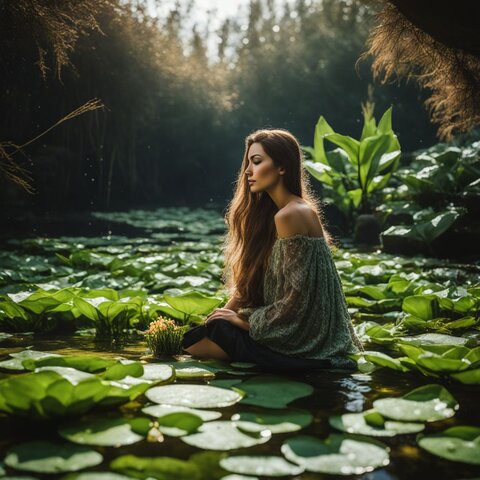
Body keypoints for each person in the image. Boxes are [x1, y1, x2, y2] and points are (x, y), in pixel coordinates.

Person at [182, 128, 364, 372]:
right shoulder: (281, 213)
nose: (248, 171)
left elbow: (295, 302)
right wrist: (221, 314)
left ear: (282, 167)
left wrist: (240, 321)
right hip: (286, 333)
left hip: (307, 349)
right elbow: (249, 285)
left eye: (257, 162)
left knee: (207, 336)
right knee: (206, 330)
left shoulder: (291, 214)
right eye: (248, 163)